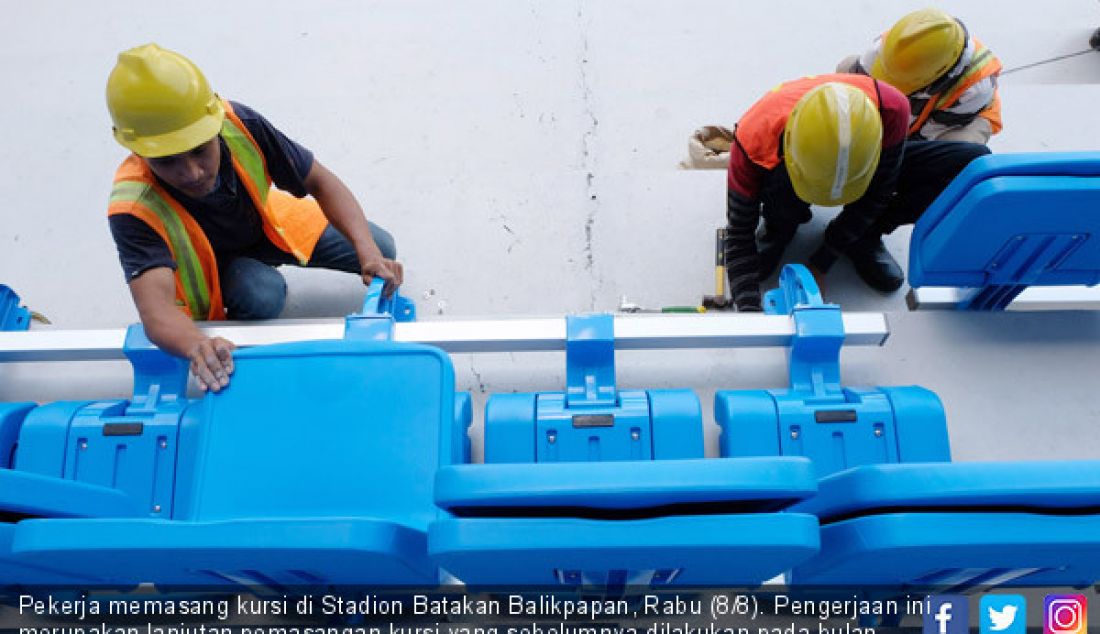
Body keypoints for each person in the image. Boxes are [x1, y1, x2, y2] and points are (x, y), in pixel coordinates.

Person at [106, 43, 403, 392]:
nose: (192, 173)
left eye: (200, 151)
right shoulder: (132, 207)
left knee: (380, 245)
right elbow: (156, 313)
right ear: (137, 151)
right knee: (262, 295)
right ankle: (242, 298)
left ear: (214, 126)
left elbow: (319, 181)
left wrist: (366, 252)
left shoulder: (240, 125)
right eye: (167, 161)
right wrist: (198, 344)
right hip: (214, 270)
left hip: (266, 226)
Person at [724, 73, 989, 311]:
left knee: (972, 166)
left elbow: (879, 194)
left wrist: (823, 262)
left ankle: (864, 237)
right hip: (779, 165)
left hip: (871, 152)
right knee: (777, 191)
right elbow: (738, 232)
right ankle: (779, 229)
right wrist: (750, 309)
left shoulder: (892, 108)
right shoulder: (753, 139)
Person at [837, 7, 1002, 144]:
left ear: (936, 79)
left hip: (957, 121)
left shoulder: (975, 89)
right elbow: (857, 77)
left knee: (955, 150)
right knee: (846, 71)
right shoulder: (891, 46)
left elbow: (925, 137)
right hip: (921, 94)